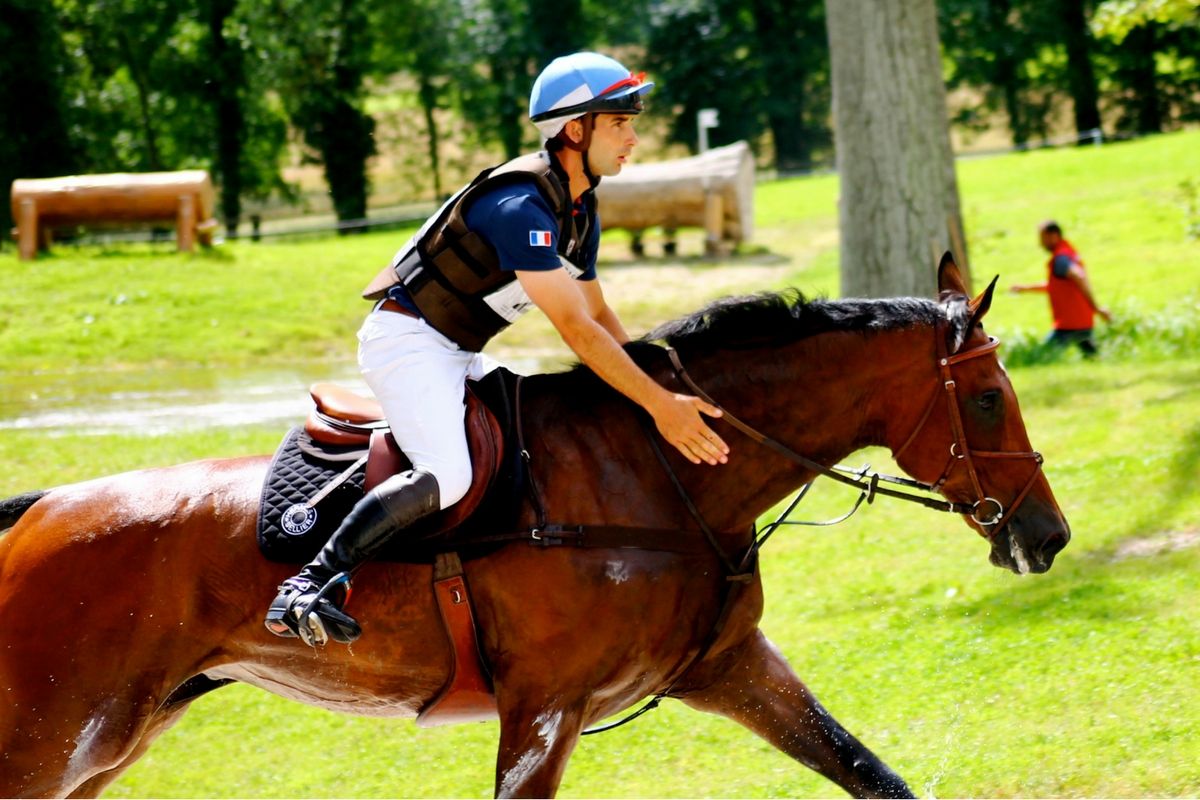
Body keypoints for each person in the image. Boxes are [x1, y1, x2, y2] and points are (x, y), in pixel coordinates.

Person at [265, 52, 730, 647]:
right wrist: (658, 407)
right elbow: (577, 331)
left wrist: (663, 380)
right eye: (619, 124)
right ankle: (308, 583)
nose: (633, 138)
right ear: (574, 129)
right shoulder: (520, 207)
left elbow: (599, 313)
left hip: (458, 350)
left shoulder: (579, 208)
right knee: (450, 474)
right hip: (408, 341)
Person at [1010, 220, 1111, 356]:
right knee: (1092, 357)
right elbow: (1055, 286)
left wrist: (1096, 307)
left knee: (1042, 357)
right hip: (1083, 321)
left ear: (1054, 235)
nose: (1041, 244)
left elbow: (1079, 277)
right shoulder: (1068, 253)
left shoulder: (1061, 259)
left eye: (1043, 238)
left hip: (1068, 325)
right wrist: (1025, 288)